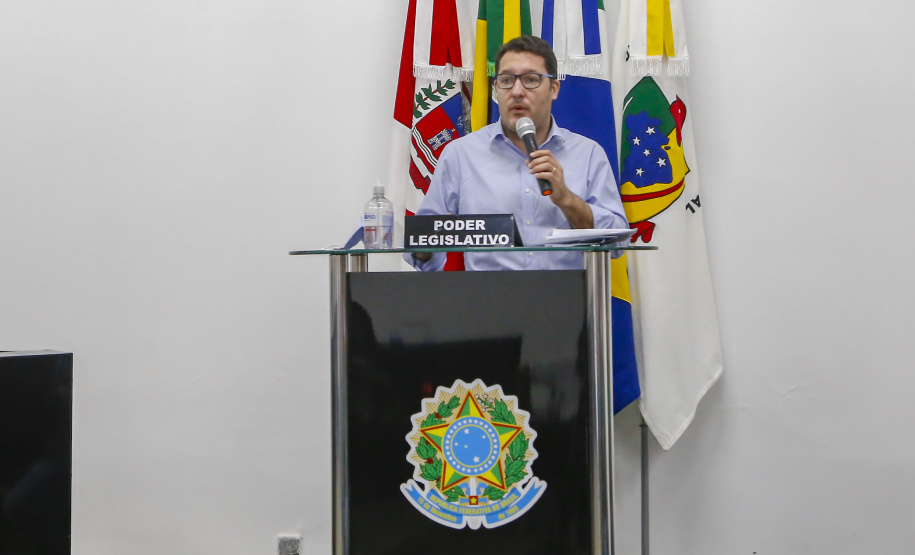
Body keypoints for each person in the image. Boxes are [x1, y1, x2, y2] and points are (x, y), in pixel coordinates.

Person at [409, 35, 627, 271]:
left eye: (531, 80)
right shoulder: (460, 155)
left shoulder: (588, 154)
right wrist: (430, 240)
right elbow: (421, 250)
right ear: (496, 89)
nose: (517, 91)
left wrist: (567, 200)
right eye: (506, 80)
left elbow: (617, 243)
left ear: (554, 89)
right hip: (488, 301)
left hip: (566, 301)